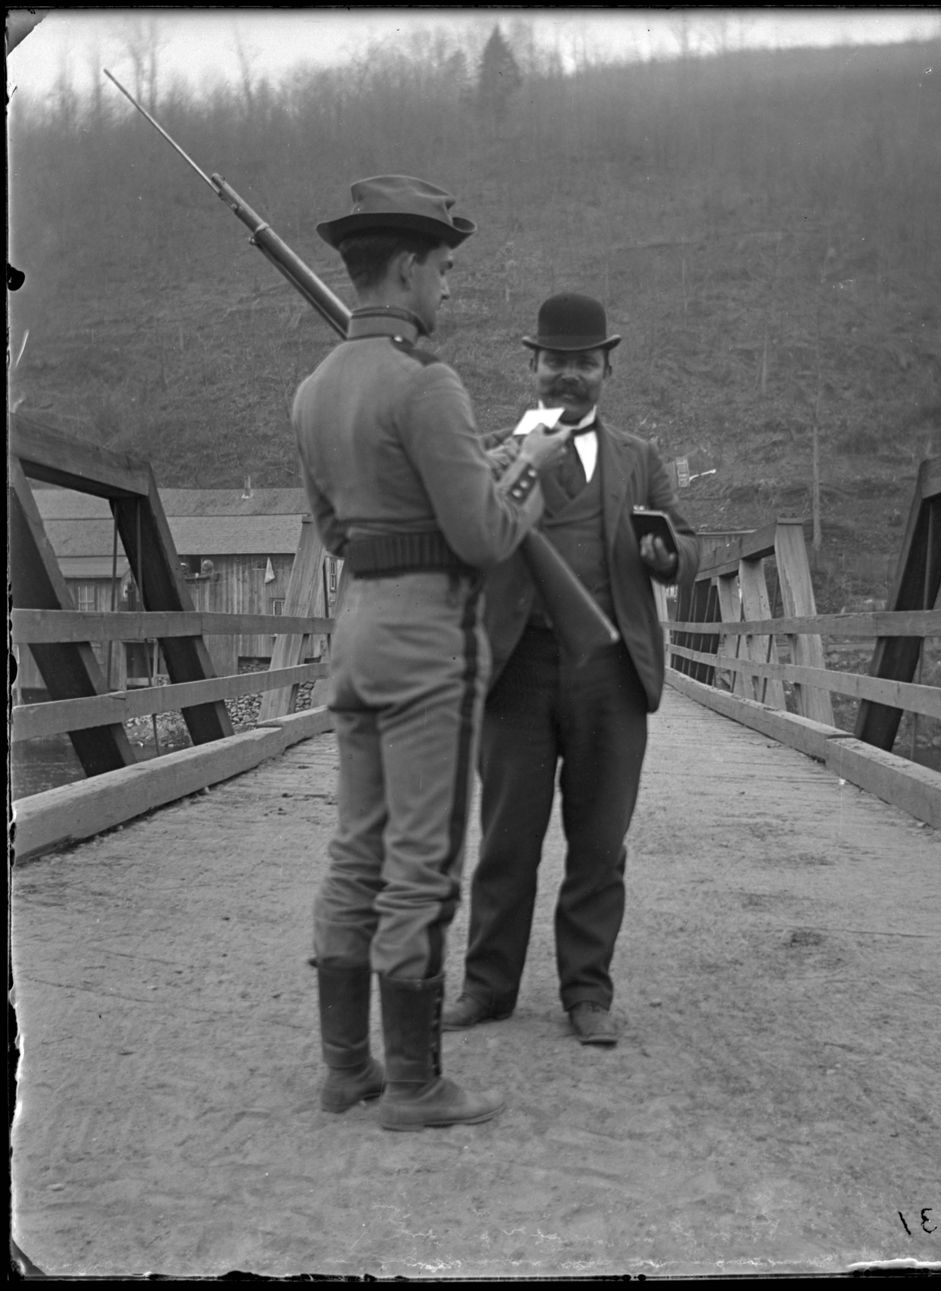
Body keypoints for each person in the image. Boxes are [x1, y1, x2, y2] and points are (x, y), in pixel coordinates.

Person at [291, 176, 571, 1130]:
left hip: (357, 628)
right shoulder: (426, 382)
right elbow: (486, 539)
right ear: (406, 268)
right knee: (422, 859)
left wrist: (448, 494)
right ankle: (414, 1083)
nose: (447, 288)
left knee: (355, 847)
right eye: (443, 269)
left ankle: (346, 1068)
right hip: (424, 642)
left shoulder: (314, 389)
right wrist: (520, 483)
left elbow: (333, 527)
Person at [442, 292, 699, 1046]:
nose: (568, 376)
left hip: (611, 673)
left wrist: (668, 556)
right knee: (506, 840)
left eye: (584, 362)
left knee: (599, 842)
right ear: (533, 365)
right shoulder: (495, 448)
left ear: (606, 369)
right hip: (517, 669)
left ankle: (587, 993)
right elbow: (470, 540)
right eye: (555, 360)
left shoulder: (639, 459)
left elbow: (688, 545)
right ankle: (488, 987)